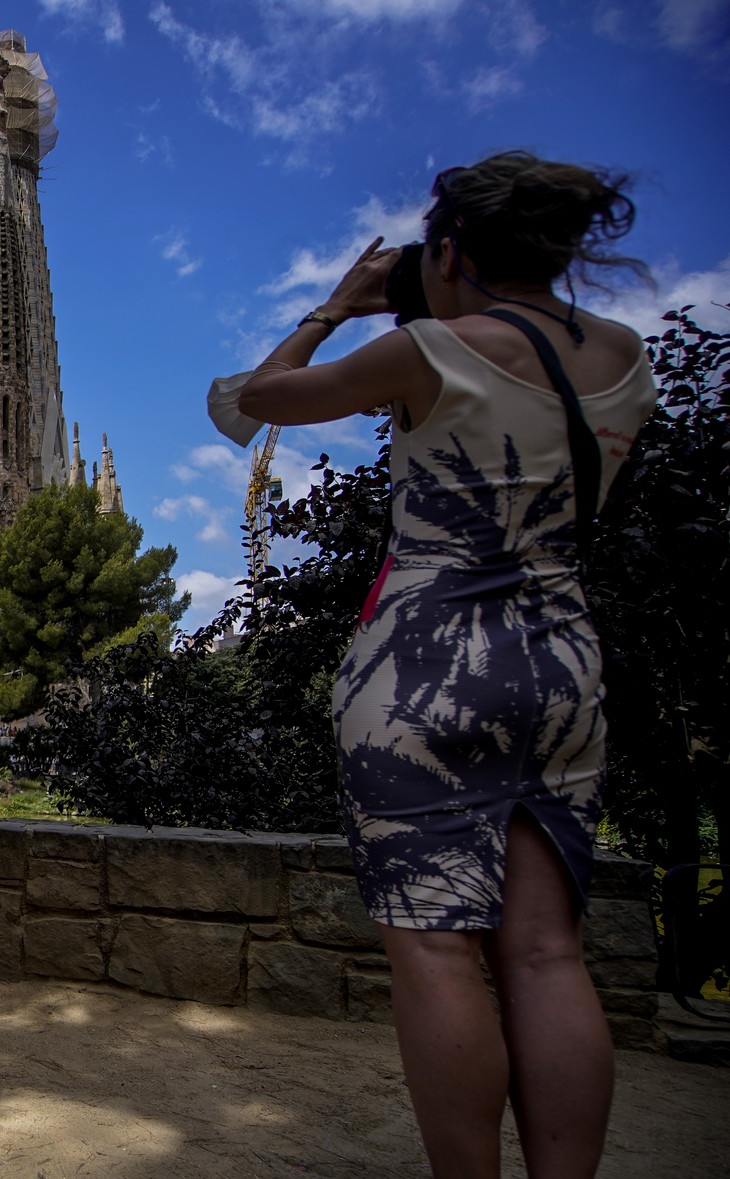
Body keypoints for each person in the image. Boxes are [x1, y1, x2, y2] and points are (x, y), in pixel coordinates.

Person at [226, 152, 656, 1178]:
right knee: (548, 954)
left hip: (426, 665)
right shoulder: (625, 357)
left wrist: (338, 306)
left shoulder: (428, 350)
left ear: (452, 250)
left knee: (434, 949)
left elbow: (253, 401)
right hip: (560, 658)